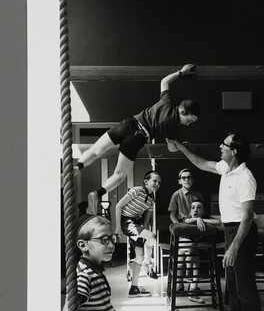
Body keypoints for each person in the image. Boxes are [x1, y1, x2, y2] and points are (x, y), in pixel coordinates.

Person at [167, 133, 264, 311]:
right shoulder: (225, 168)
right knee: (232, 285)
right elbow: (201, 163)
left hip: (242, 232)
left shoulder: (245, 177)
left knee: (246, 288)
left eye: (224, 144)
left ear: (234, 151)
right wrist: (181, 145)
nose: (220, 146)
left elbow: (248, 216)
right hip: (231, 230)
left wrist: (233, 247)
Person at [75, 64, 198, 214]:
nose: (188, 124)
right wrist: (180, 145)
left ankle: (78, 166)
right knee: (119, 175)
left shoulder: (167, 101)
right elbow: (171, 147)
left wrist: (181, 72)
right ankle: (98, 193)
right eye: (190, 120)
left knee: (94, 150)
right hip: (138, 138)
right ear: (183, 111)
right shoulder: (173, 126)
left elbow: (164, 82)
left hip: (128, 124)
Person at [115, 170, 161, 298]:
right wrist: (118, 227)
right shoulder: (136, 190)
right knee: (152, 237)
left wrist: (144, 236)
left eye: (159, 182)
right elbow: (118, 206)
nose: (157, 184)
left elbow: (146, 222)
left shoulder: (152, 200)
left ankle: (134, 289)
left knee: (139, 255)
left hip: (137, 224)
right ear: (146, 182)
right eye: (154, 181)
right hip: (126, 221)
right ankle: (147, 264)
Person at [177, 200, 221, 304]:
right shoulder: (187, 217)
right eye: (193, 207)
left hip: (192, 248)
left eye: (199, 207)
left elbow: (218, 222)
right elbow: (187, 222)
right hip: (181, 245)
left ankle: (192, 290)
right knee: (191, 247)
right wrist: (197, 219)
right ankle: (183, 279)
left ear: (204, 210)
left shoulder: (206, 218)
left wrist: (202, 220)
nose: (195, 209)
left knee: (195, 255)